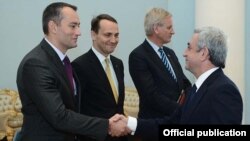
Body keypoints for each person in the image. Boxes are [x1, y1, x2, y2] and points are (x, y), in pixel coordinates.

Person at [16, 2, 128, 141]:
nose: (79, 32)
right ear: (53, 27)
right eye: (73, 26)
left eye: (78, 26)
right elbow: (59, 116)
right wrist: (107, 126)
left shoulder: (62, 61)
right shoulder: (36, 64)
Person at [113, 26, 243, 140]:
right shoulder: (196, 89)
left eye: (189, 47)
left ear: (203, 53)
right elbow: (172, 123)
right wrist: (129, 123)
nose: (184, 53)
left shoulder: (224, 91)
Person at [129, 7, 191, 121]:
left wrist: (190, 103)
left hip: (177, 120)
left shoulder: (169, 53)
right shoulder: (138, 56)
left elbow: (184, 82)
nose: (173, 31)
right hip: (154, 124)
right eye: (169, 27)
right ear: (156, 29)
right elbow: (151, 96)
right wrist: (181, 109)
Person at [72, 14, 127, 141]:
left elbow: (117, 106)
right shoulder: (79, 66)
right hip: (94, 137)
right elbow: (78, 110)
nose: (113, 40)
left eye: (116, 35)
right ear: (93, 34)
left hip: (120, 137)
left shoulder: (118, 64)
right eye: (108, 35)